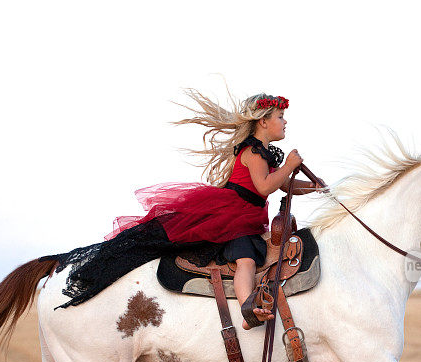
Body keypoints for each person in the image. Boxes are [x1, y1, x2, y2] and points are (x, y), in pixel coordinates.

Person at [47, 91, 320, 325]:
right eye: (280, 117)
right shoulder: (252, 152)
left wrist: (315, 187)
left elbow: (282, 185)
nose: (285, 122)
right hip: (234, 215)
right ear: (263, 121)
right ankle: (248, 308)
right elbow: (264, 187)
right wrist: (289, 166)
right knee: (246, 260)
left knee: (250, 256)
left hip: (246, 215)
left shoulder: (265, 153)